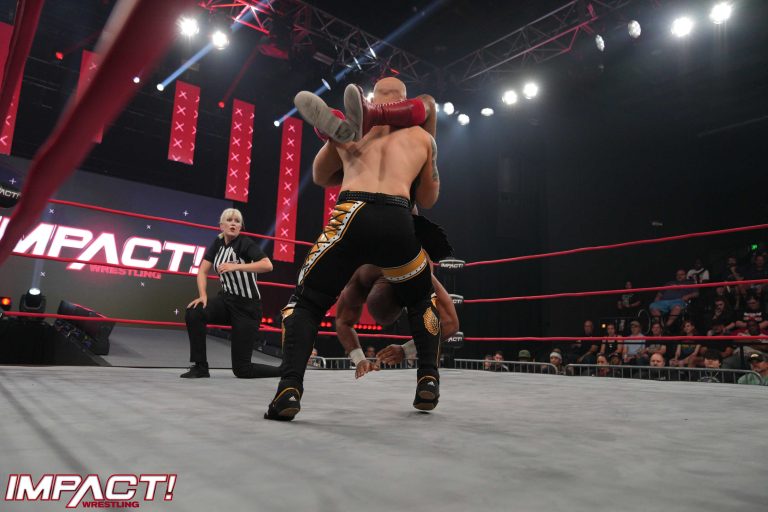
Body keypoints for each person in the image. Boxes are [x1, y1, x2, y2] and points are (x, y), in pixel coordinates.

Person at [265, 77, 441, 421]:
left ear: (373, 98)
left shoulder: (352, 131)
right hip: (398, 218)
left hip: (351, 213)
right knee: (422, 300)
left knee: (306, 302)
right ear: (405, 101)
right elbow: (428, 199)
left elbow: (319, 175)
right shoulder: (422, 138)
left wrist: (339, 143)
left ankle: (289, 389)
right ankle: (428, 381)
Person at [181, 208, 275, 379]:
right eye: (229, 220)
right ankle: (200, 367)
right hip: (226, 301)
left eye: (237, 221)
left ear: (240, 227)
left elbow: (267, 265)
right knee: (195, 312)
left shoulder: (245, 243)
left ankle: (285, 370)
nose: (233, 224)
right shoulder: (218, 243)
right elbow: (202, 271)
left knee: (242, 370)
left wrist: (236, 266)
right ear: (221, 225)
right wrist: (203, 295)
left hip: (247, 307)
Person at [333, 265, 460, 377]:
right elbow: (342, 321)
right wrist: (359, 359)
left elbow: (450, 324)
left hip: (412, 269)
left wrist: (406, 350)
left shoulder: (418, 271)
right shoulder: (362, 276)